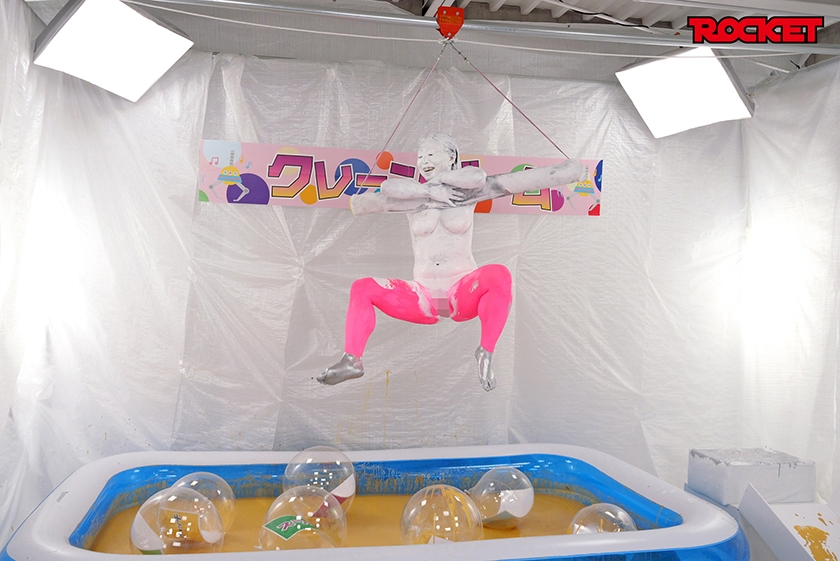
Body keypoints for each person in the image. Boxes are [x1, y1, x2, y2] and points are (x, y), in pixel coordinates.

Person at [317, 133, 585, 391]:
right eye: (421, 156)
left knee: (499, 274)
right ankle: (352, 360)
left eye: (431, 154)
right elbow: (380, 192)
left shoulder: (469, 193)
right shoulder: (412, 197)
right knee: (362, 287)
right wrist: (432, 192)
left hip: (461, 291)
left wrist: (571, 171)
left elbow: (493, 177)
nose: (424, 161)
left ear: (452, 157)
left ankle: (485, 351)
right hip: (422, 296)